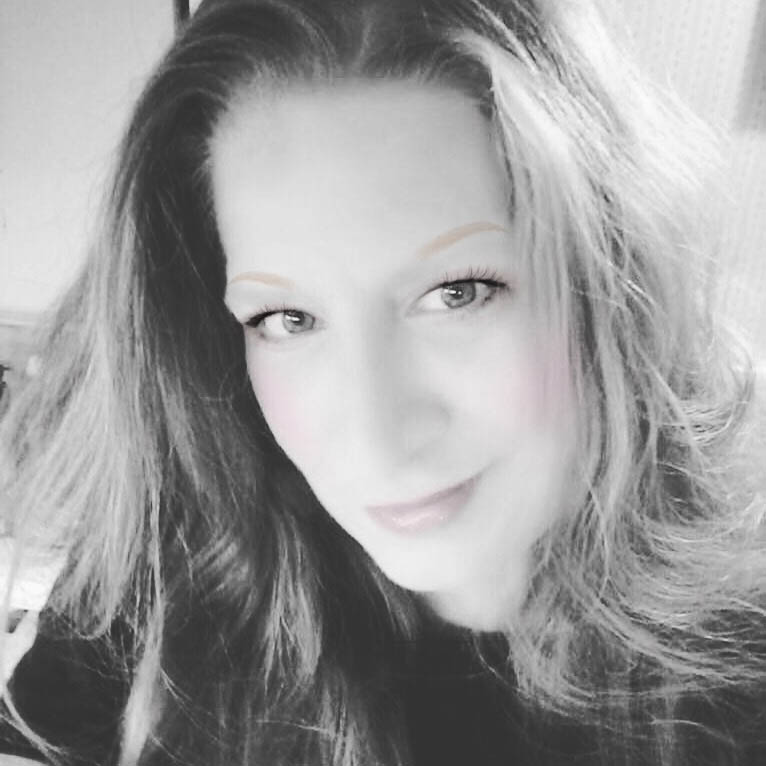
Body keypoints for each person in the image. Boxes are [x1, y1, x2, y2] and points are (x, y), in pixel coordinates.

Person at [2, 0, 765, 764]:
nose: (375, 438)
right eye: (288, 319)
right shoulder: (163, 592)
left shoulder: (743, 676)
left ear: (609, 279)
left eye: (457, 292)